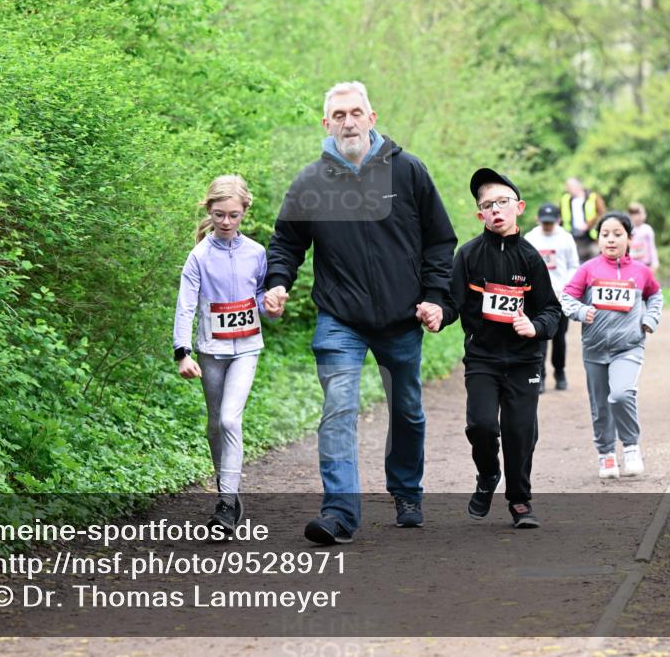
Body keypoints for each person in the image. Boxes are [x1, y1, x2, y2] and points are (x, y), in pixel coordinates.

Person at [263, 81, 457, 544]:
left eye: (355, 112)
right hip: (340, 319)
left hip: (401, 318)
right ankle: (339, 513)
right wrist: (277, 283)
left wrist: (435, 297)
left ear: (372, 117)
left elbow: (439, 241)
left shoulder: (408, 172)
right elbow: (286, 244)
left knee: (407, 410)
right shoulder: (311, 181)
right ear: (326, 123)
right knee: (338, 411)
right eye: (338, 115)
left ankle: (407, 491)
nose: (348, 122)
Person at [448, 168, 562, 529]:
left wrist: (535, 326)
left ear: (519, 207)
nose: (495, 209)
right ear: (479, 215)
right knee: (481, 426)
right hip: (482, 357)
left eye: (502, 202)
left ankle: (520, 502)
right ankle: (487, 474)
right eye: (487, 205)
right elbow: (452, 303)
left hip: (524, 361)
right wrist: (436, 311)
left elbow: (552, 311)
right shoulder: (467, 256)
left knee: (519, 431)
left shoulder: (530, 259)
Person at [173, 175, 275, 536]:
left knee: (231, 420)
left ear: (245, 211)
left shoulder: (257, 253)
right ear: (209, 212)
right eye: (219, 215)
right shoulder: (199, 255)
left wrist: (272, 306)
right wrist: (183, 353)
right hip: (211, 350)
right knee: (215, 424)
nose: (226, 223)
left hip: (246, 348)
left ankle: (227, 504)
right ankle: (226, 492)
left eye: (233, 215)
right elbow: (185, 307)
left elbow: (262, 299)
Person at [560, 212, 664, 479]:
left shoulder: (641, 271)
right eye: (605, 234)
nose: (610, 239)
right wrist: (582, 312)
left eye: (617, 234)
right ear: (599, 238)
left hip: (628, 346)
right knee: (600, 404)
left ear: (629, 238)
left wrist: (650, 318)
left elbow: (655, 296)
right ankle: (606, 454)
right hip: (594, 348)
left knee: (620, 394)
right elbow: (567, 298)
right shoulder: (588, 269)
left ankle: (630, 447)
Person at [525, 203, 580, 393]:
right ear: (538, 220)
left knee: (559, 337)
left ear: (558, 220)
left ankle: (560, 371)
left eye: (551, 222)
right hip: (537, 297)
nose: (547, 226)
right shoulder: (531, 238)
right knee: (539, 337)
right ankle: (539, 375)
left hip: (561, 296)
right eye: (544, 222)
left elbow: (574, 265)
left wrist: (564, 288)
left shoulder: (566, 239)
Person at [561, 177, 607, 262]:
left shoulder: (593, 197)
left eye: (569, 186)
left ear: (578, 186)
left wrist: (588, 224)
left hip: (591, 238)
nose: (567, 189)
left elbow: (602, 214)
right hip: (573, 238)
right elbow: (560, 216)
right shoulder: (565, 199)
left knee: (595, 261)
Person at [627, 202, 659, 272]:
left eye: (644, 213)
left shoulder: (647, 229)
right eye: (641, 213)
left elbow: (652, 247)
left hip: (645, 264)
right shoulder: (628, 229)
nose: (644, 215)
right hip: (632, 265)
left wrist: (655, 264)